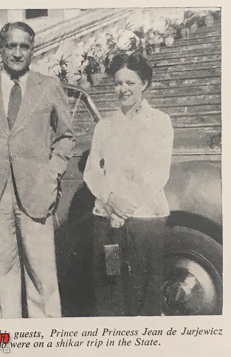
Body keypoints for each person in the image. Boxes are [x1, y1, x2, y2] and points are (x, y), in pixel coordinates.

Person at [0, 22, 75, 318]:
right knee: (1, 277)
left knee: (42, 276)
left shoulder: (48, 86)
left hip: (36, 193)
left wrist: (52, 173)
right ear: (0, 49)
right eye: (11, 46)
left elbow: (66, 137)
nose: (17, 53)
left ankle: (47, 343)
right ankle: (8, 341)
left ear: (33, 51)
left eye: (24, 46)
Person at [84, 53, 174, 316]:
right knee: (111, 291)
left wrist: (126, 209)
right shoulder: (105, 125)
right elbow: (92, 171)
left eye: (130, 83)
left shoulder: (159, 122)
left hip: (144, 221)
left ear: (144, 84)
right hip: (108, 222)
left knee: (143, 294)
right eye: (117, 83)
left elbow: (159, 172)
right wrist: (111, 200)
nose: (123, 89)